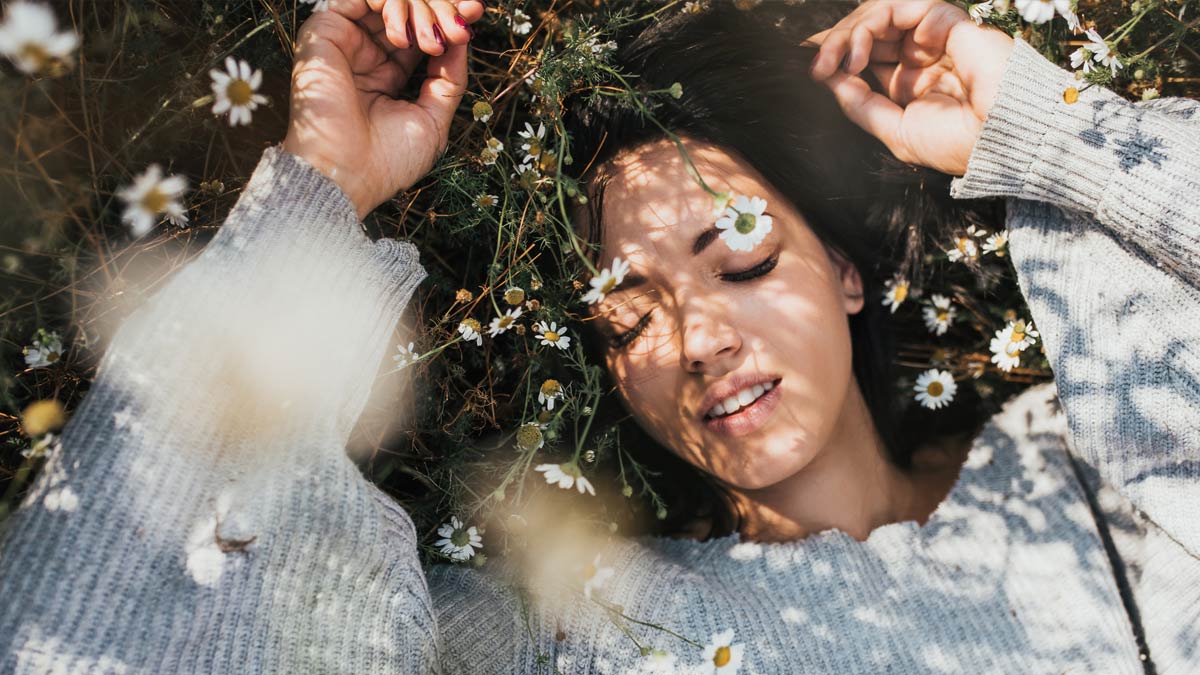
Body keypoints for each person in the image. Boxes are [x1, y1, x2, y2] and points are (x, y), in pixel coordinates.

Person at [1, 0, 1198, 672]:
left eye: (743, 261)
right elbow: (115, 633)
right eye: (624, 313)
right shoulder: (565, 623)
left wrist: (1046, 124)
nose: (698, 337)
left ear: (842, 269)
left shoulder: (1093, 474)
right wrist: (318, 192)